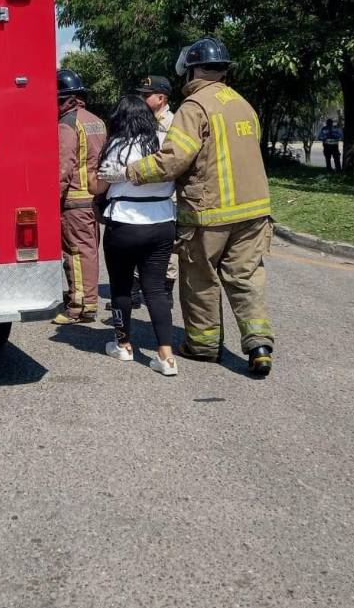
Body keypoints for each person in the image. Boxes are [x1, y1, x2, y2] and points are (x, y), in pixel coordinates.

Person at [103, 37, 275, 377]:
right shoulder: (243, 104)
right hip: (255, 210)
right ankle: (259, 346)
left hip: (210, 211)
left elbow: (173, 160)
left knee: (200, 278)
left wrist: (128, 172)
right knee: (246, 277)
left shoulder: (194, 107)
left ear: (193, 70)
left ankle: (203, 345)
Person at [94, 95, 178, 375]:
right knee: (155, 288)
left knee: (121, 287)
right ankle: (166, 356)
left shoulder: (117, 145)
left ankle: (123, 345)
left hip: (124, 224)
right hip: (162, 222)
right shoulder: (164, 142)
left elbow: (98, 187)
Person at [55, 68, 107, 324]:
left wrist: (52, 199)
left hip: (74, 200)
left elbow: (63, 167)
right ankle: (89, 300)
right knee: (88, 252)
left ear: (63, 99)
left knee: (75, 253)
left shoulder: (67, 124)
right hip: (94, 198)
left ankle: (79, 307)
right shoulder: (96, 120)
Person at [135, 74, 179, 291]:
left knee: (167, 245)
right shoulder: (142, 121)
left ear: (161, 98)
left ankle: (166, 288)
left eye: (147, 95)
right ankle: (135, 286)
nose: (143, 99)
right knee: (139, 235)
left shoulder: (174, 123)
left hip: (168, 192)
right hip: (144, 188)